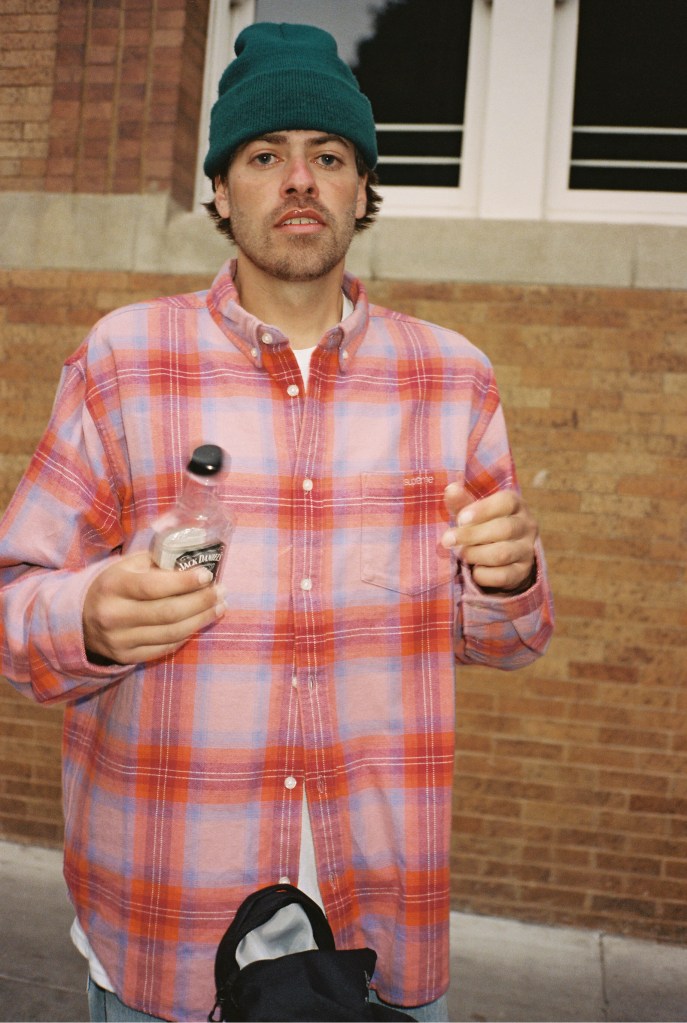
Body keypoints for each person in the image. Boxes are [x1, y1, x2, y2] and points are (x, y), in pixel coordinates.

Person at [0, 22, 554, 1023]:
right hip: (166, 929)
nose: (299, 179)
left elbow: (506, 640)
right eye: (264, 156)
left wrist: (508, 579)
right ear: (220, 189)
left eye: (329, 157)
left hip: (376, 933)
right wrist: (87, 617)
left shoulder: (454, 379)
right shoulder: (122, 361)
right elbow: (14, 605)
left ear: (362, 187)